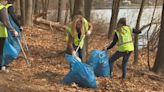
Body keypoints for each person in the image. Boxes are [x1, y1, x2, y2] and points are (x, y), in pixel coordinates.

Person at [104, 18, 141, 82]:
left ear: (119, 23)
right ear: (125, 23)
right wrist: (139, 30)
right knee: (124, 64)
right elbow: (138, 31)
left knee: (110, 60)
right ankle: (123, 78)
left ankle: (110, 74)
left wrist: (107, 48)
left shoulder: (117, 31)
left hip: (122, 49)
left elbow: (114, 43)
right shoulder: (129, 28)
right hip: (130, 49)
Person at [0, 0, 18, 71]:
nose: (7, 2)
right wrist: (13, 31)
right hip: (1, 33)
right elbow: (6, 22)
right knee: (0, 51)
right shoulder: (2, 8)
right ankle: (1, 67)